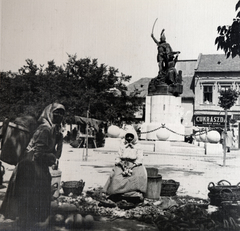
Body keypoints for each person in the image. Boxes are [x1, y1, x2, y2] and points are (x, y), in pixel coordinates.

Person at [0, 103, 65, 230]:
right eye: (56, 112)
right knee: (30, 200)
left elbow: (57, 155)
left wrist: (60, 141)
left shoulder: (53, 130)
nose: (59, 115)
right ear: (48, 113)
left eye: (62, 113)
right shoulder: (45, 129)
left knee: (33, 201)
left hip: (36, 167)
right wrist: (50, 157)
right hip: (31, 167)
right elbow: (38, 153)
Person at [103, 126, 147, 204]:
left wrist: (132, 166)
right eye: (128, 136)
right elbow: (118, 156)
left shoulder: (138, 146)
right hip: (122, 164)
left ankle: (134, 194)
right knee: (116, 177)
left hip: (135, 165)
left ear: (134, 137)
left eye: (131, 136)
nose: (129, 138)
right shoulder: (122, 145)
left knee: (137, 177)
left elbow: (140, 158)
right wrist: (121, 164)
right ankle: (117, 194)